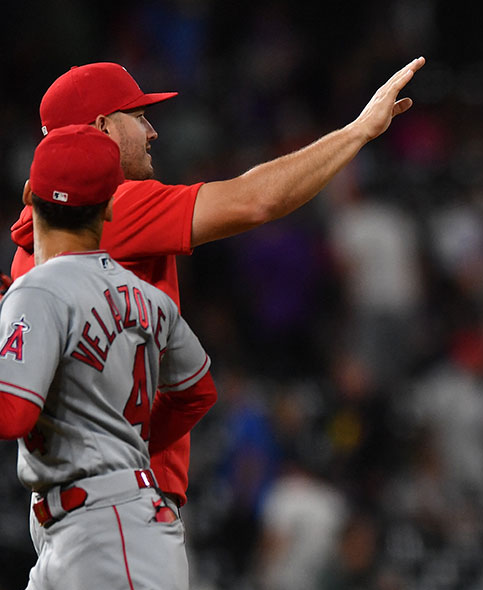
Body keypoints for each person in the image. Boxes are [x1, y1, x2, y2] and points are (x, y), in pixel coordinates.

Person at [8, 56, 425, 507]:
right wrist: (358, 130)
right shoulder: (111, 209)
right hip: (123, 494)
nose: (152, 132)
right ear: (104, 127)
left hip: (62, 493)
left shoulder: (33, 245)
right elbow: (257, 201)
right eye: (140, 116)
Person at [0, 124, 217, 590]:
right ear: (112, 205)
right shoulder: (148, 297)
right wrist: (129, 443)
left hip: (108, 535)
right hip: (100, 527)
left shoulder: (36, 289)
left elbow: (12, 414)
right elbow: (198, 392)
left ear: (28, 195)